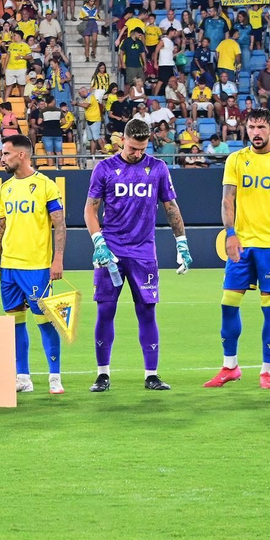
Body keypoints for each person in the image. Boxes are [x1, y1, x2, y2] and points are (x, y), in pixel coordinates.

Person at [84, 118, 190, 393]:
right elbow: (90, 210)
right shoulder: (104, 169)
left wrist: (182, 243)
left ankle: (152, 375)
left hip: (144, 253)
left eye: (142, 148)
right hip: (112, 252)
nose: (137, 153)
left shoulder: (158, 168)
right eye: (132, 148)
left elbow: (171, 207)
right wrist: (98, 242)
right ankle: (102, 374)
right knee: (105, 311)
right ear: (122, 140)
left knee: (147, 312)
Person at [205, 108, 270, 390]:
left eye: (261, 127)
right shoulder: (236, 160)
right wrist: (231, 233)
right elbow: (228, 200)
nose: (256, 133)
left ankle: (266, 371)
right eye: (251, 128)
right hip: (243, 245)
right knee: (228, 304)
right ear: (245, 130)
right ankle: (230, 367)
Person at [0, 133, 67, 395]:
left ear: (21, 155)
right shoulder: (5, 188)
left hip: (37, 267)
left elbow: (59, 224)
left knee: (44, 322)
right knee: (15, 323)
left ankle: (54, 377)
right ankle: (23, 377)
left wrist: (57, 260)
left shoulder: (46, 185)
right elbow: (2, 225)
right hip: (9, 267)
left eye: (6, 154)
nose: (2, 158)